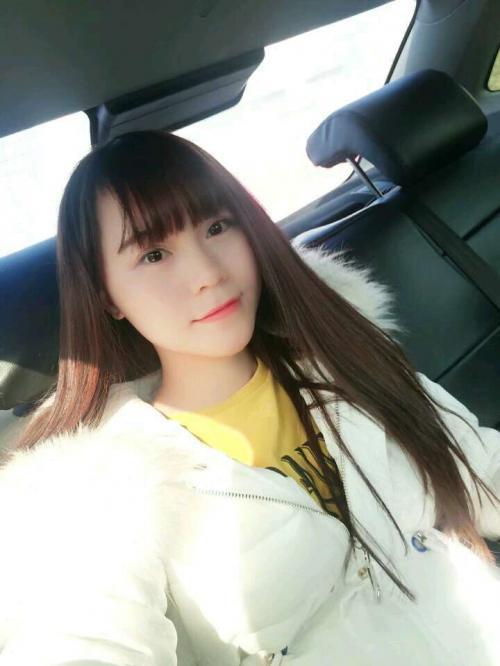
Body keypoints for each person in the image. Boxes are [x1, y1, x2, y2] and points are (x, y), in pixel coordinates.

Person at [0, 130, 499, 666]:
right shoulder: (98, 487)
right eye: (154, 254)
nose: (208, 274)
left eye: (217, 226)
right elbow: (86, 644)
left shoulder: (342, 354)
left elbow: (480, 469)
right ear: (107, 297)